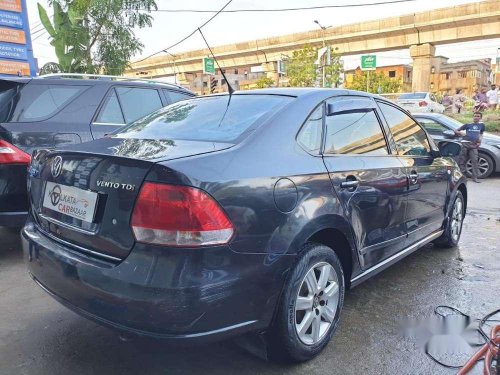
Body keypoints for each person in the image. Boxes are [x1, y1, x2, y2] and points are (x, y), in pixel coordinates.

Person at [454, 112, 485, 183]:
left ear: (480, 118)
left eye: (478, 116)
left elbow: (481, 133)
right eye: (475, 116)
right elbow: (456, 130)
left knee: (474, 160)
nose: (476, 117)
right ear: (473, 117)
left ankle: (475, 177)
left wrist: (479, 141)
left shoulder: (482, 125)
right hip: (465, 144)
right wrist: (461, 133)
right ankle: (463, 177)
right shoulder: (468, 125)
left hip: (474, 145)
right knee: (462, 161)